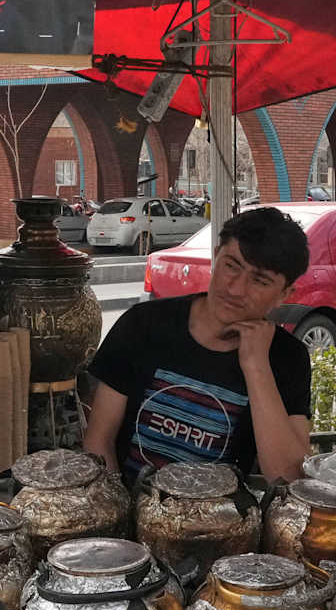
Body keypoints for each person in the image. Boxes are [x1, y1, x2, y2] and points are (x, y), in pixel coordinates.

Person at [83, 207, 312, 483]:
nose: (236, 289)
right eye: (231, 266)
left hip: (222, 509)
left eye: (260, 281)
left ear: (284, 294)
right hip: (128, 499)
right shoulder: (144, 324)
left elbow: (288, 477)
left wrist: (256, 366)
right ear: (216, 257)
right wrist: (117, 504)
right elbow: (99, 441)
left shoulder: (287, 357)